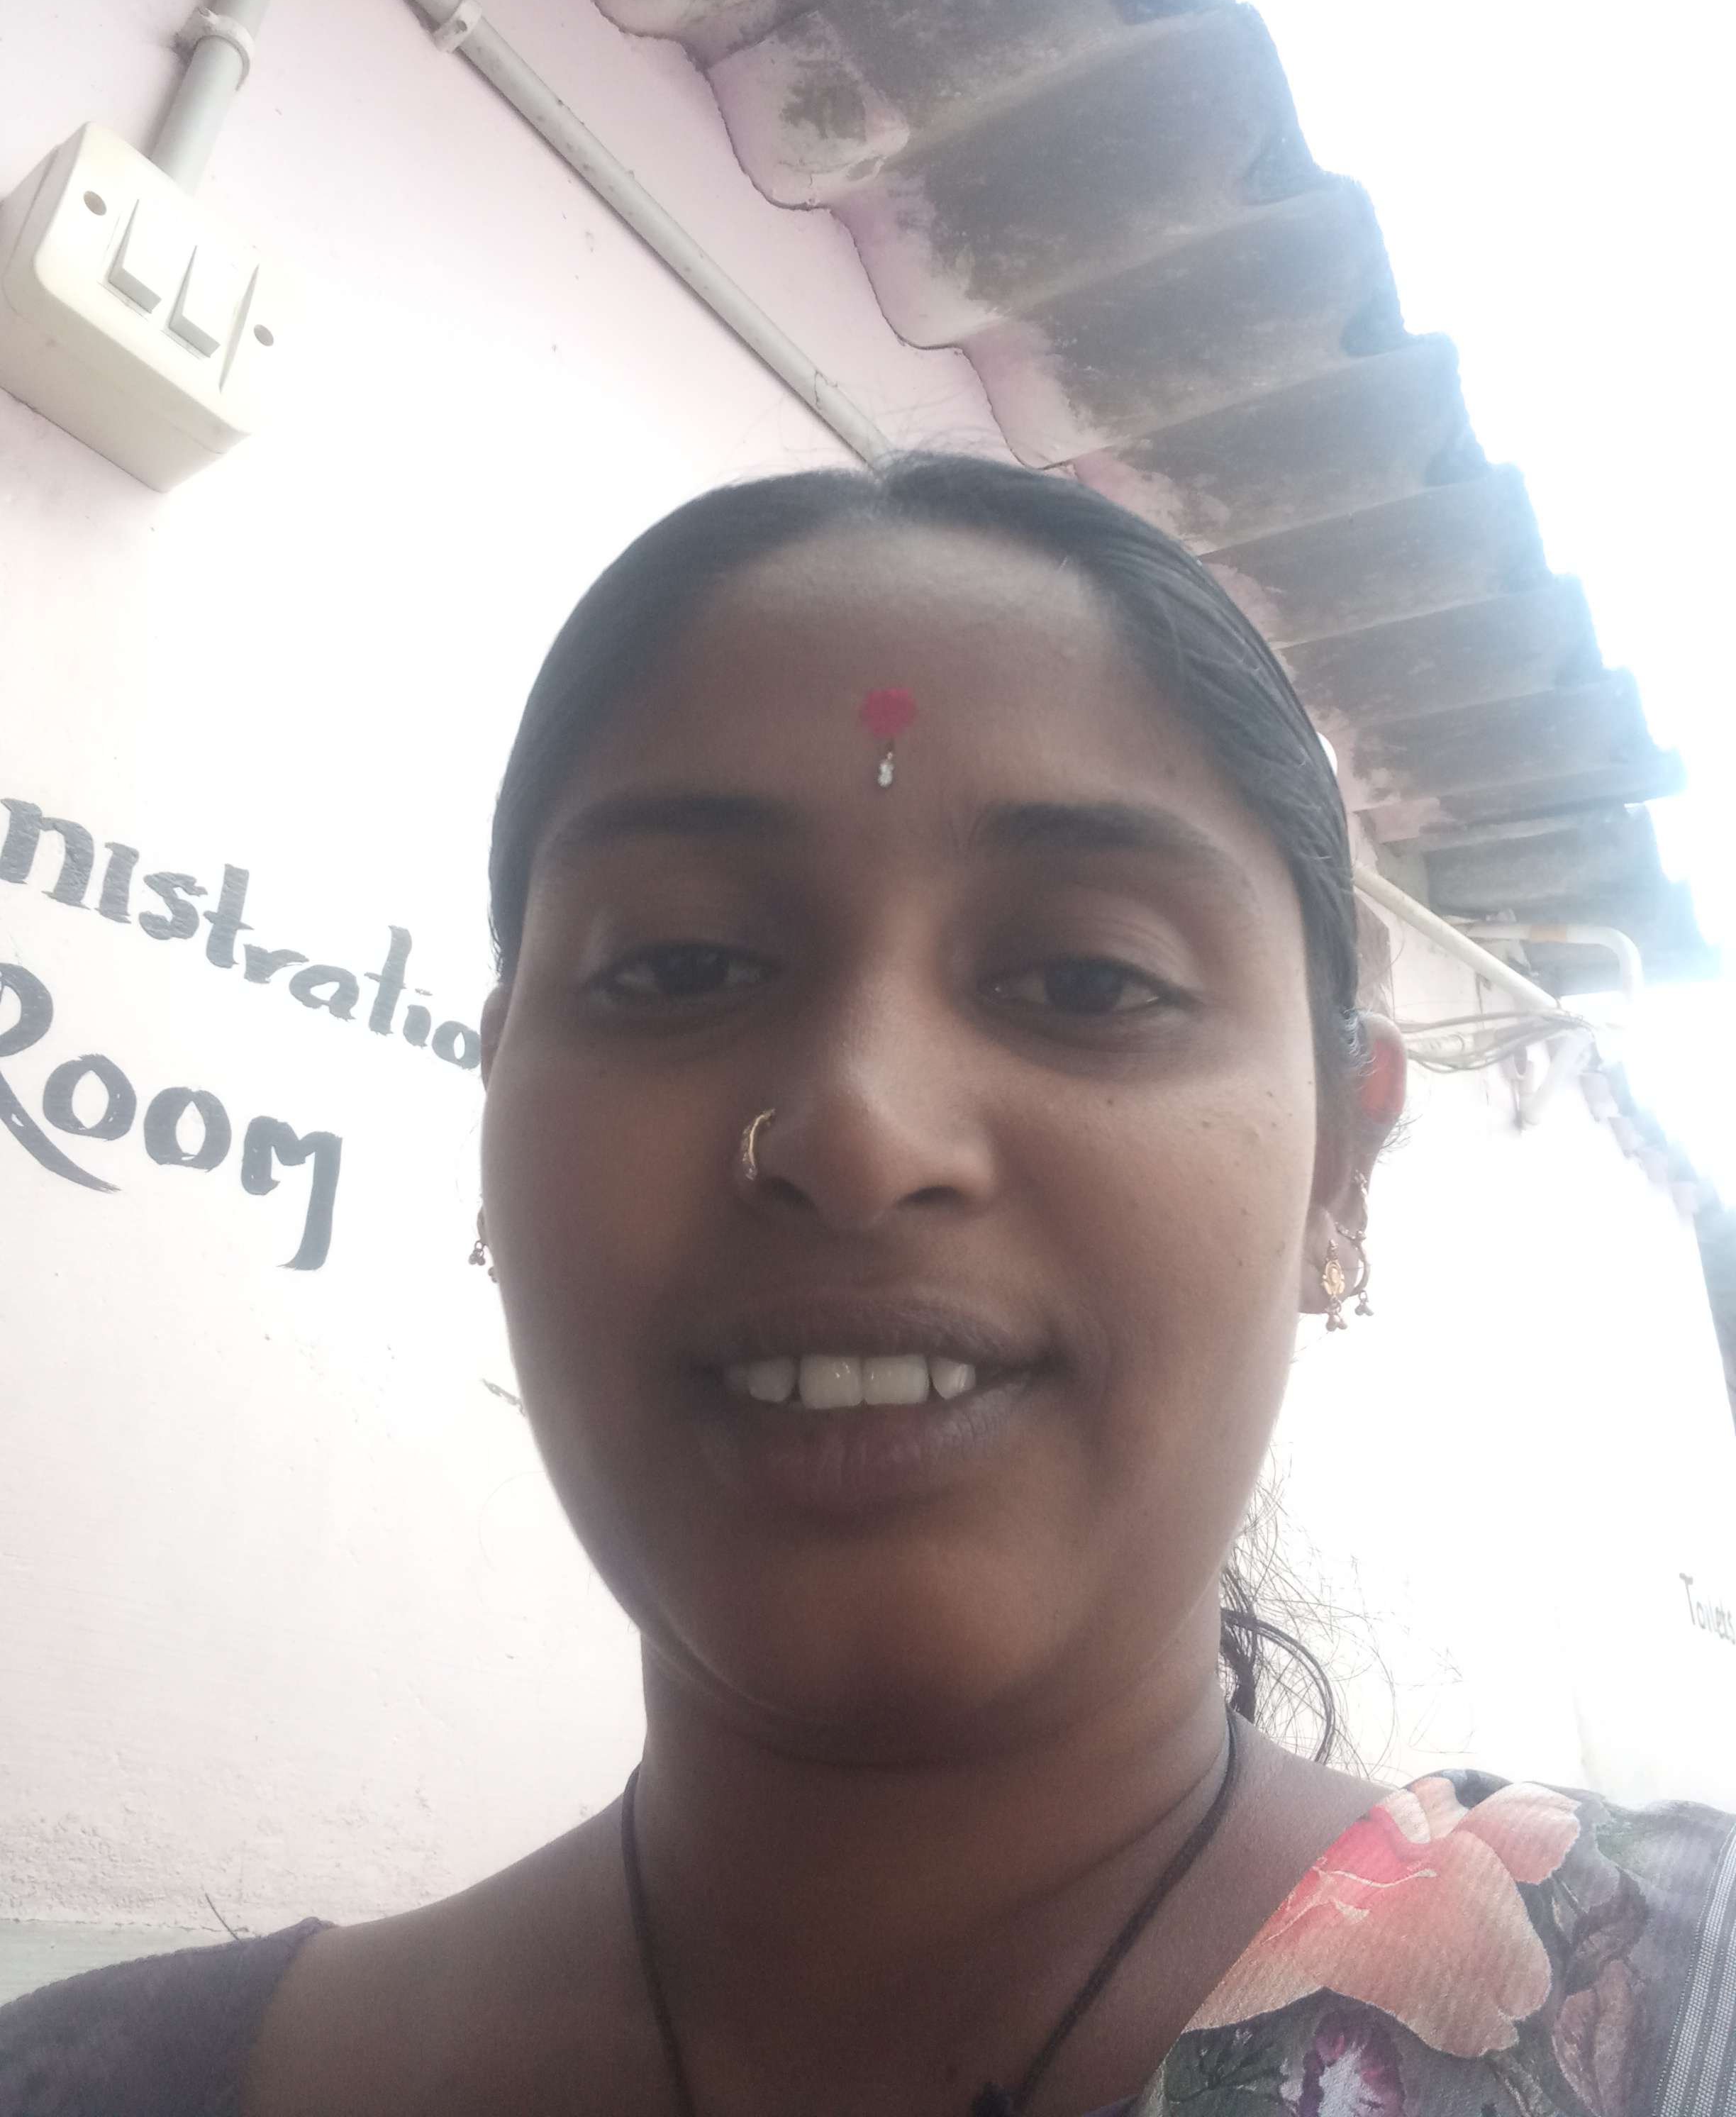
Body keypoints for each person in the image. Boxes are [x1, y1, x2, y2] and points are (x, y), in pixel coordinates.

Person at [3, 454, 1730, 2117]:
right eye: (681, 964)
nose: (857, 1129)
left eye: (1088, 977)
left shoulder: (1680, 2023)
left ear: (1340, 1167)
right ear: (496, 1104)